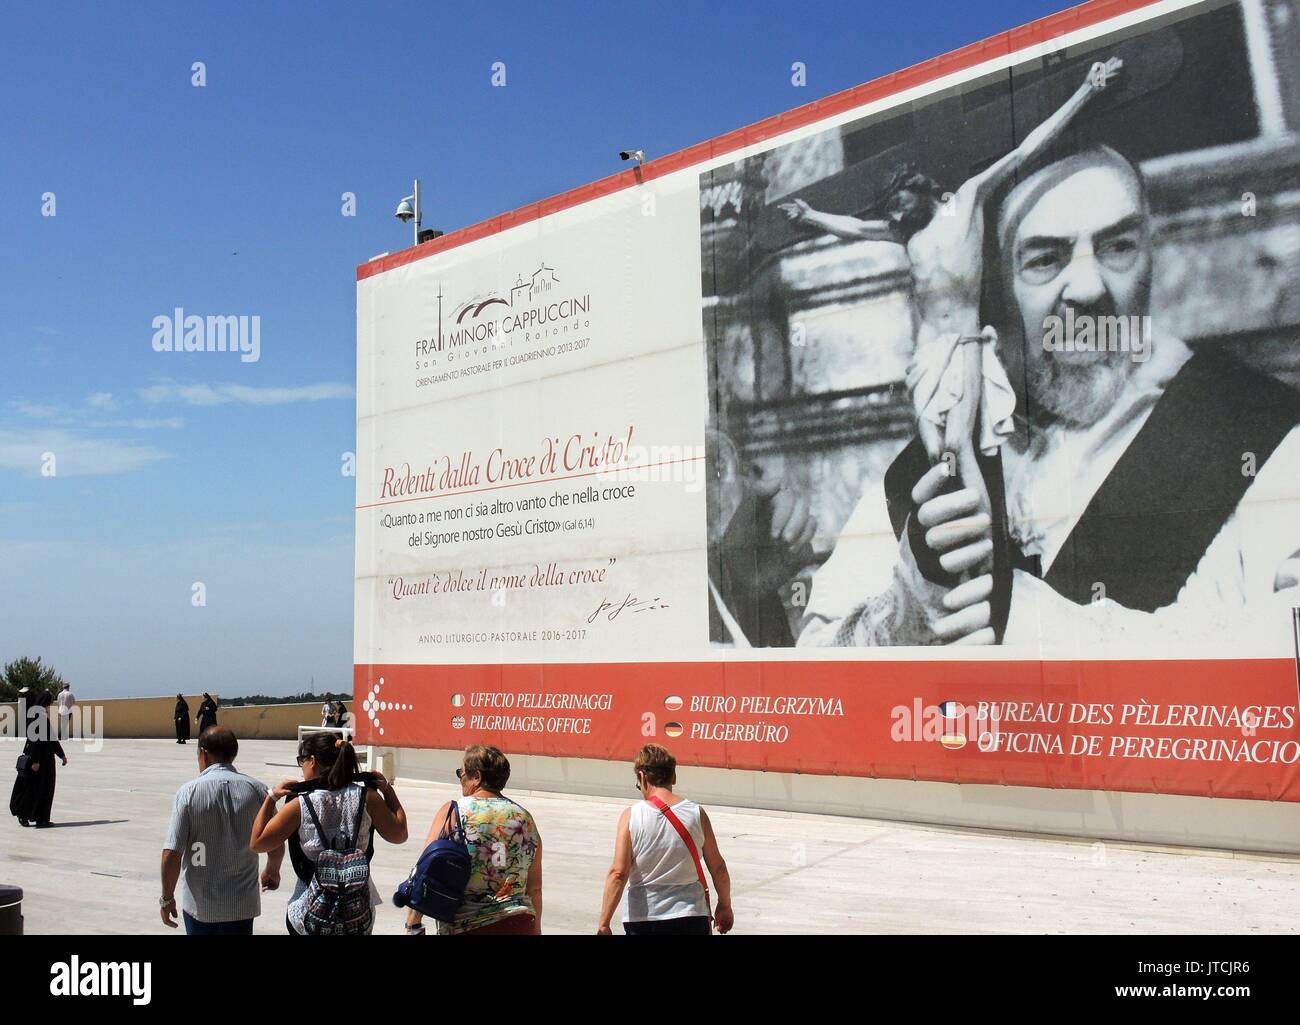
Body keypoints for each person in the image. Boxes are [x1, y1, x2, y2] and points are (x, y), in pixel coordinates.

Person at [800, 145, 1300, 649]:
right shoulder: (918, 480)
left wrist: (1023, 620)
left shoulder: (1265, 441)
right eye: (1044, 259)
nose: (1088, 289)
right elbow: (818, 679)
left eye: (1118, 247)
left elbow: (1284, 660)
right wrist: (909, 612)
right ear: (989, 291)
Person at [781, 58, 1123, 525]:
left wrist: (1086, 91)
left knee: (958, 449)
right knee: (933, 455)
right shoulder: (907, 234)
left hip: (964, 349)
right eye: (891, 211)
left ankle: (988, 541)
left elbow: (1024, 150)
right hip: (927, 354)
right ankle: (954, 548)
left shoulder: (967, 201)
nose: (894, 215)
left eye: (897, 204)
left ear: (918, 190)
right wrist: (812, 217)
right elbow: (856, 229)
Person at [249, 732, 408, 935]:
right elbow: (400, 834)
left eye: (302, 761)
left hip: (310, 915)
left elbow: (257, 842)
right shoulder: (368, 797)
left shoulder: (301, 804)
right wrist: (387, 790)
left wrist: (271, 797)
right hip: (357, 915)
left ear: (312, 761)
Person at [404, 745, 542, 936]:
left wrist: (413, 925)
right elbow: (534, 888)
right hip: (519, 923)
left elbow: (426, 871)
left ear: (476, 776)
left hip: (468, 924)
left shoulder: (453, 812)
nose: (461, 779)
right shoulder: (525, 819)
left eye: (462, 773)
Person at [160, 726, 285, 935]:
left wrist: (167, 898)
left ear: (204, 754)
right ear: (232, 754)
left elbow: (171, 853)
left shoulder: (189, 793)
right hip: (241, 906)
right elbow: (275, 842)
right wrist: (272, 871)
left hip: (200, 906)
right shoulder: (258, 791)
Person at [597, 744, 733, 936]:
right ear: (674, 777)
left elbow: (618, 873)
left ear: (643, 777)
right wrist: (724, 905)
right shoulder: (696, 814)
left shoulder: (631, 816)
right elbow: (718, 867)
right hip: (691, 917)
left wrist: (604, 922)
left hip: (644, 920)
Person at [9, 691, 67, 828]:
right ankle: (23, 814)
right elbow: (33, 740)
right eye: (50, 703)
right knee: (33, 789)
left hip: (46, 761)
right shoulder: (37, 717)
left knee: (46, 790)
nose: (50, 705)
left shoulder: (41, 716)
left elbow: (52, 739)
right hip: (38, 762)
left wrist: (61, 755)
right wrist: (35, 760)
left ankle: (42, 819)